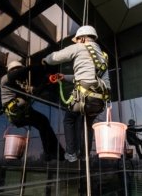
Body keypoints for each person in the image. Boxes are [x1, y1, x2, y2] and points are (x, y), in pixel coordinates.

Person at [42, 25, 111, 162]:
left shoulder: (80, 47)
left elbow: (57, 57)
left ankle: (71, 154)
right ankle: (85, 155)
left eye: (78, 39)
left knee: (69, 119)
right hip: (98, 102)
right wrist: (64, 77)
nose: (77, 41)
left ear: (83, 38)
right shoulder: (103, 56)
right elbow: (90, 78)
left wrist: (45, 60)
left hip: (83, 98)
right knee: (87, 124)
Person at [0, 60, 65, 161]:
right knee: (43, 121)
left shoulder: (22, 86)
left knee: (43, 123)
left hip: (22, 113)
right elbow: (19, 73)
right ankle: (53, 153)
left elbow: (36, 91)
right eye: (17, 70)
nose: (20, 73)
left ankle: (52, 153)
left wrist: (46, 82)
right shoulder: (5, 80)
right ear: (11, 71)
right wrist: (37, 66)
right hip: (16, 112)